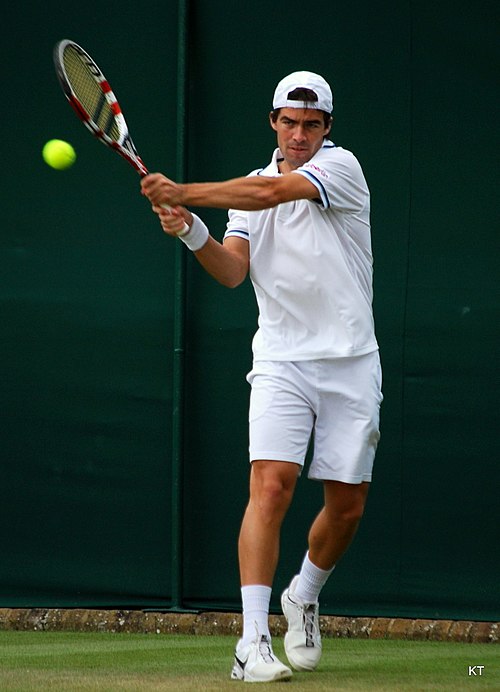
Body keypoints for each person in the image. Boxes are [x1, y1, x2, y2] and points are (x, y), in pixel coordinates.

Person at [141, 71, 382, 684]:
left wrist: (186, 192)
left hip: (352, 359)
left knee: (347, 507)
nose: (299, 134)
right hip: (281, 358)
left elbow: (272, 195)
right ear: (273, 121)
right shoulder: (247, 187)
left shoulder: (341, 169)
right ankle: (251, 641)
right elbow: (231, 271)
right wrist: (190, 228)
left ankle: (303, 594)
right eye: (288, 122)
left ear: (327, 128)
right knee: (270, 486)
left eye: (311, 124)